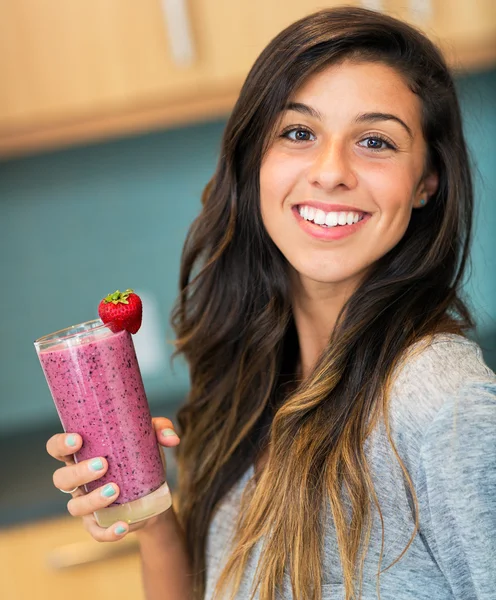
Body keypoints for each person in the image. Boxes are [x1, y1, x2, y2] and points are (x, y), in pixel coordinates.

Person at [45, 6, 496, 600]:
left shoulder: (439, 403)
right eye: (299, 132)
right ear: (256, 157)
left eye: (375, 141)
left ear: (425, 182)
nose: (331, 171)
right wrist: (152, 519)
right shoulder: (250, 381)